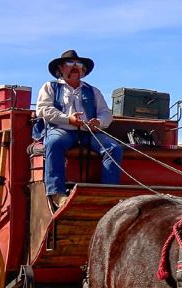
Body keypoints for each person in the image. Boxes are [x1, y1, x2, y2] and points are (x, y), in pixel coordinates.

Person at [36, 50, 122, 208]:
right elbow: (43, 110)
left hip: (88, 132)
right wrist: (68, 119)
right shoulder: (50, 87)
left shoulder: (93, 91)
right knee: (53, 143)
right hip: (62, 130)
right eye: (70, 63)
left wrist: (98, 122)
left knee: (113, 148)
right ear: (61, 68)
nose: (75, 66)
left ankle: (108, 194)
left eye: (79, 64)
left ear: (83, 69)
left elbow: (106, 114)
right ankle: (57, 193)